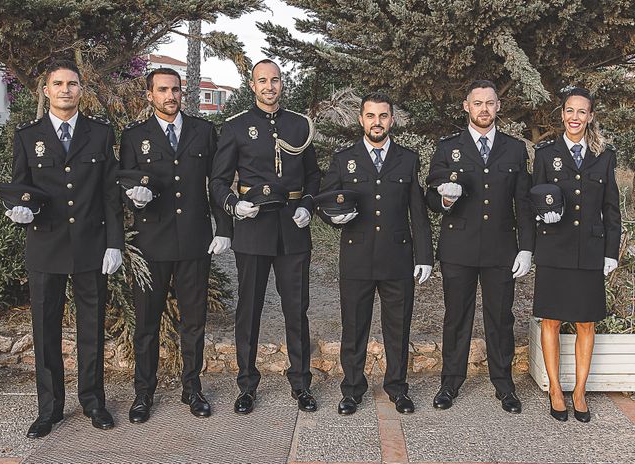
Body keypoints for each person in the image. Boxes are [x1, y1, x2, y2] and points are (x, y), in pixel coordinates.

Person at [8, 60, 124, 437]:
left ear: (80, 90)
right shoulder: (28, 136)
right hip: (45, 245)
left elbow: (110, 194)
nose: (65, 90)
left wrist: (114, 243)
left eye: (72, 84)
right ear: (46, 90)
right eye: (57, 84)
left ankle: (93, 402)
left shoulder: (100, 134)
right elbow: (20, 188)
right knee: (45, 330)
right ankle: (50, 409)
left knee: (91, 328)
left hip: (91, 246)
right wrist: (19, 210)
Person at [120, 68, 233, 422]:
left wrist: (224, 227)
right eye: (163, 90)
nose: (170, 96)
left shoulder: (203, 131)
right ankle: (143, 394)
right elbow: (122, 184)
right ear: (149, 95)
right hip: (150, 244)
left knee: (194, 321)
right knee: (146, 324)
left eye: (176, 90)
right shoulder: (134, 136)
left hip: (193, 241)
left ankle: (192, 387)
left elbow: (217, 183)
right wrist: (133, 201)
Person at [210, 59, 321, 414]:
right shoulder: (236, 127)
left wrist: (307, 204)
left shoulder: (299, 125)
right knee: (249, 309)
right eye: (262, 81)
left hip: (292, 227)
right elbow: (217, 179)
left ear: (281, 84)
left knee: (296, 310)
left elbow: (314, 175)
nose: (269, 86)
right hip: (253, 226)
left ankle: (301, 383)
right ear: (252, 84)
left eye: (274, 80)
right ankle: (246, 385)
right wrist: (232, 206)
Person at [317, 92, 434, 415]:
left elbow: (418, 214)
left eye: (383, 116)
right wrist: (332, 217)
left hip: (397, 258)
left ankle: (397, 388)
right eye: (371, 116)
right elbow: (324, 201)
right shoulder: (345, 159)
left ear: (391, 120)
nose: (377, 122)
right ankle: (352, 390)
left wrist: (424, 256)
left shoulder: (407, 159)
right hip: (356, 259)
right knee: (354, 328)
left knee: (398, 329)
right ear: (361, 119)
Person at [425, 80, 534, 414]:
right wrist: (443, 198)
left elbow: (524, 203)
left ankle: (504, 386)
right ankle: (450, 382)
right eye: (477, 103)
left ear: (498, 106)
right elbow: (430, 195)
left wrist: (526, 248)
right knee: (457, 317)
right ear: (466, 106)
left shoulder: (514, 149)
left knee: (500, 318)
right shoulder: (448, 148)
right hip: (459, 247)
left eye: (490, 103)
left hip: (501, 249)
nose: (484, 109)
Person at [532, 87, 620, 423]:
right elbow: (531, 200)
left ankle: (579, 392)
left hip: (590, 252)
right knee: (551, 320)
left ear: (590, 116)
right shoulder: (545, 154)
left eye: (582, 112)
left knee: (586, 322)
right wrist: (541, 217)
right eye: (569, 110)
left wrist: (610, 251)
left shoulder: (604, 156)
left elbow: (611, 208)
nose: (574, 117)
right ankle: (556, 389)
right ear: (562, 114)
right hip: (554, 249)